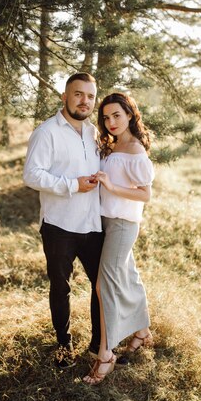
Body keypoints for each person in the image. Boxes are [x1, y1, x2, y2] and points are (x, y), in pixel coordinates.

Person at [23, 72, 103, 369]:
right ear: (65, 97)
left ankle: (99, 344)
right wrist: (72, 184)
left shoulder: (95, 133)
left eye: (90, 96)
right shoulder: (47, 132)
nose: (84, 101)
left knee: (100, 286)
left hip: (93, 225)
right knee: (61, 287)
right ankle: (64, 344)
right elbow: (32, 175)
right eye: (78, 94)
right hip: (59, 226)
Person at [83, 93, 155, 385]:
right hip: (105, 221)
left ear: (129, 114)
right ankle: (142, 331)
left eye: (117, 115)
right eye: (106, 117)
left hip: (123, 224)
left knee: (105, 285)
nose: (111, 122)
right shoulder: (112, 145)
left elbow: (145, 194)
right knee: (128, 275)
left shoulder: (135, 149)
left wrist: (111, 186)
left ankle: (105, 354)